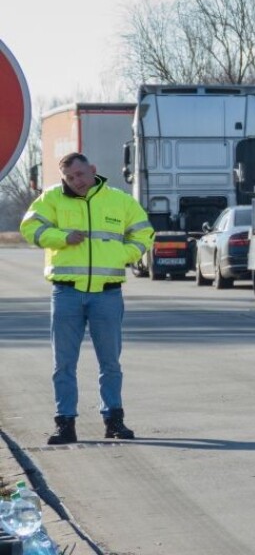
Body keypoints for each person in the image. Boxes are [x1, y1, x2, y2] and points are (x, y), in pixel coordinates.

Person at [20, 152, 154, 445]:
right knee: (64, 363)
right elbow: (29, 228)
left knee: (110, 363)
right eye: (69, 177)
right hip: (66, 292)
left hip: (107, 293)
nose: (75, 182)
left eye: (80, 175)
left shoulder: (119, 200)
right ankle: (65, 423)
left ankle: (114, 420)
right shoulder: (52, 198)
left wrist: (123, 254)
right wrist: (61, 238)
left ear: (93, 170)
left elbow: (144, 233)